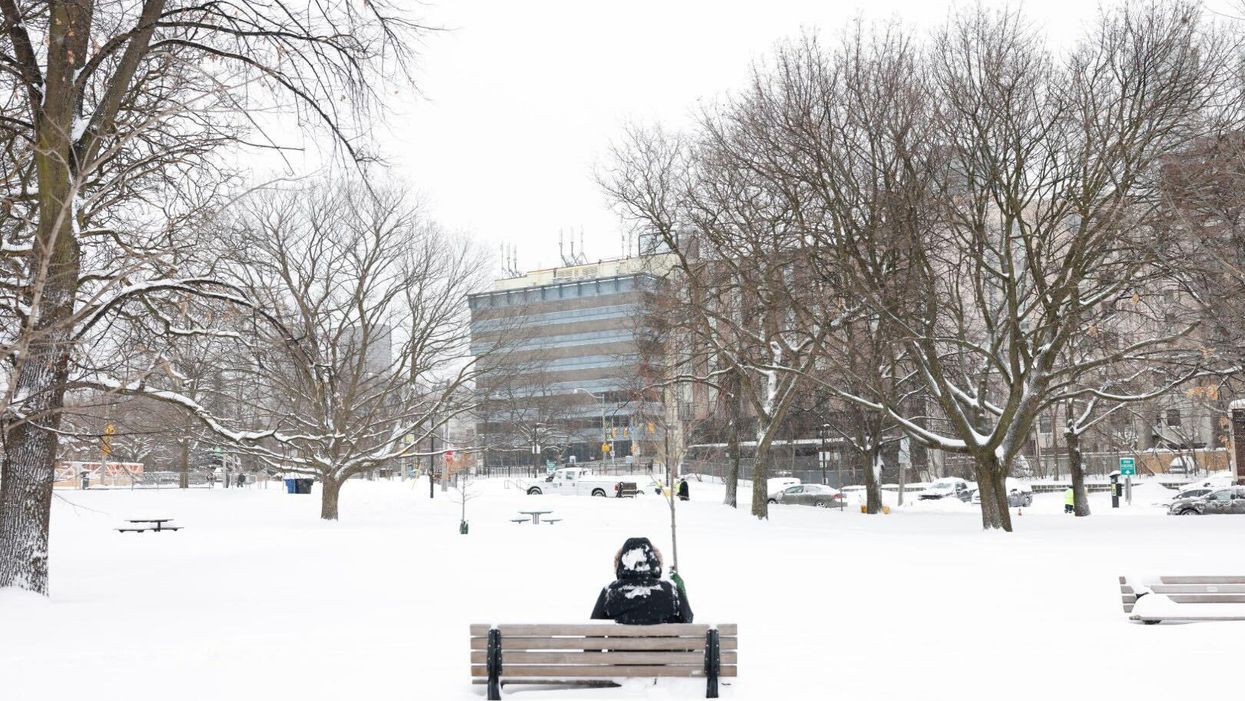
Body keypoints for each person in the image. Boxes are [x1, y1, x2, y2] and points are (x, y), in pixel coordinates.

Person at [591, 537, 692, 625]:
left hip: (621, 647)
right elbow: (688, 623)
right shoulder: (672, 590)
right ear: (655, 562)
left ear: (621, 564)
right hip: (663, 647)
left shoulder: (610, 591)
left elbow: (593, 632)